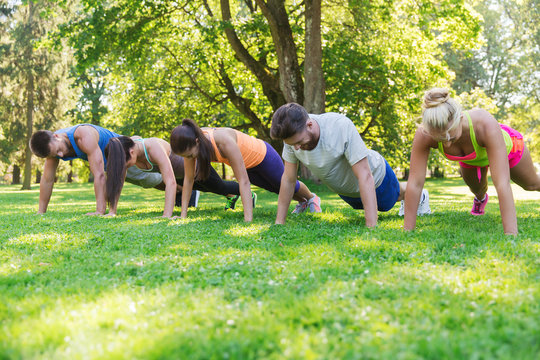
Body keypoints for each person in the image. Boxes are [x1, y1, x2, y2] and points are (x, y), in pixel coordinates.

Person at [403, 88, 540, 235]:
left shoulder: (484, 124)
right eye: (441, 140)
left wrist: (511, 234)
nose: (447, 145)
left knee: (532, 185)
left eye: (452, 138)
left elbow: (502, 183)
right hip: (472, 159)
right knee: (477, 189)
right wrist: (407, 231)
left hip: (509, 149)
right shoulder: (425, 134)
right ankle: (480, 200)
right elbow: (415, 182)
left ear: (460, 119)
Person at [270, 103, 431, 227]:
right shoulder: (293, 138)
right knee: (369, 203)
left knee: (393, 198)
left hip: (376, 179)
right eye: (292, 145)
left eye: (298, 142)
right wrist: (279, 222)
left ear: (310, 125)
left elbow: (365, 175)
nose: (296, 148)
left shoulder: (339, 126)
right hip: (348, 192)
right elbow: (289, 180)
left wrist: (371, 226)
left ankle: (420, 195)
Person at [170, 119, 320, 222]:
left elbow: (243, 181)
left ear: (197, 142)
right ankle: (303, 202)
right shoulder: (190, 146)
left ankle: (312, 198)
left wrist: (248, 220)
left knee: (284, 185)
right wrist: (183, 215)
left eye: (190, 155)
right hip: (249, 166)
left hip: (263, 156)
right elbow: (189, 180)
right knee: (276, 189)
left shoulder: (222, 141)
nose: (190, 158)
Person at [30, 124, 166, 215]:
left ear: (56, 136)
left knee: (154, 179)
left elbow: (99, 174)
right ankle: (181, 191)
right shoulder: (51, 148)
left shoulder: (83, 135)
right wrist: (41, 213)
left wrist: (100, 211)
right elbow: (47, 180)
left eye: (59, 150)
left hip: (124, 156)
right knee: (151, 182)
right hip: (109, 164)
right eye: (55, 155)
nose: (60, 156)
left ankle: (181, 189)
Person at [105, 135, 241, 217]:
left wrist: (166, 215)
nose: (125, 167)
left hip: (195, 165)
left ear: (132, 152)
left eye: (125, 164)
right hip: (181, 176)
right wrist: (112, 211)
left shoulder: (152, 147)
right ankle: (233, 195)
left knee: (219, 187)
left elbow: (170, 182)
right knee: (206, 189)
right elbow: (118, 180)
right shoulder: (126, 150)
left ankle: (245, 191)